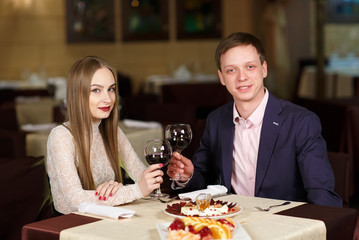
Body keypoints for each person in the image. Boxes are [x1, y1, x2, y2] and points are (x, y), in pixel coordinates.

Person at [167, 32, 342, 207]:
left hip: (284, 224)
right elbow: (203, 179)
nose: (242, 77)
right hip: (232, 222)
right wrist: (188, 176)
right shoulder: (216, 120)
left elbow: (321, 194)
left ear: (264, 69)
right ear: (222, 77)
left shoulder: (301, 122)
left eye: (250, 67)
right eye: (231, 70)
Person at [47, 56, 164, 214]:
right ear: (78, 94)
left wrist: (121, 189)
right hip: (72, 226)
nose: (108, 99)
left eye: (111, 89)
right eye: (96, 90)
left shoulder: (113, 131)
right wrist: (134, 191)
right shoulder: (61, 135)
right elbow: (75, 201)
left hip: (108, 217)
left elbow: (143, 179)